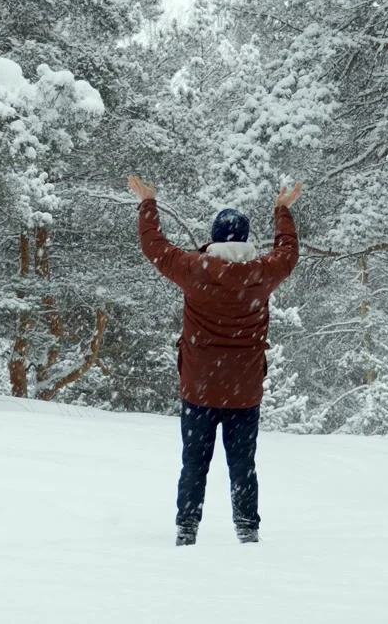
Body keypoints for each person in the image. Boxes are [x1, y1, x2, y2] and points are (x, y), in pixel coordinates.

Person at [128, 175, 302, 546]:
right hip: (244, 391)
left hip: (199, 388)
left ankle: (186, 530)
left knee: (194, 464)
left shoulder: (194, 270)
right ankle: (247, 530)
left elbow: (153, 246)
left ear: (215, 237)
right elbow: (288, 253)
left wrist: (148, 203)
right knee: (243, 466)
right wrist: (282, 212)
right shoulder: (262, 274)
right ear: (244, 239)